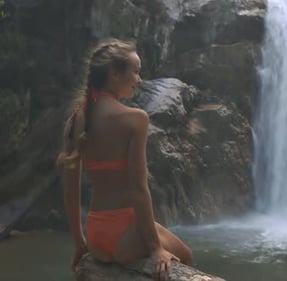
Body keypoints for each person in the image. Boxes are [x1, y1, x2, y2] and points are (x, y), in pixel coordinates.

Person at [57, 38, 193, 281]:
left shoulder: (77, 119)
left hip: (97, 235)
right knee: (187, 257)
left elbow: (70, 190)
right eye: (136, 71)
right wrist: (155, 248)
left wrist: (80, 242)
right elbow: (138, 189)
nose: (140, 80)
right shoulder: (135, 119)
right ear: (114, 74)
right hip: (127, 236)